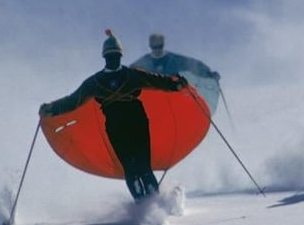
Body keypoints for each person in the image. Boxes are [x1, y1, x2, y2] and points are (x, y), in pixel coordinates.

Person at [39, 29, 188, 200]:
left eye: (115, 56)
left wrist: (175, 85)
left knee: (142, 166)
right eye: (111, 56)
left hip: (135, 123)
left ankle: (156, 205)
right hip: (118, 127)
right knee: (131, 169)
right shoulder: (96, 82)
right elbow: (73, 101)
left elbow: (156, 81)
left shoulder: (128, 75)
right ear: (105, 58)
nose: (113, 59)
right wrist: (51, 108)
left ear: (120, 56)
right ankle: (144, 208)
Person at [131, 33, 220, 82]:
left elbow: (193, 66)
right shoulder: (143, 63)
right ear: (150, 46)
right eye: (154, 47)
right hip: (152, 97)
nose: (157, 50)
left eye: (159, 46)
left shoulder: (174, 60)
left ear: (163, 45)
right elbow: (128, 73)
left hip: (172, 94)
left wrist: (209, 74)